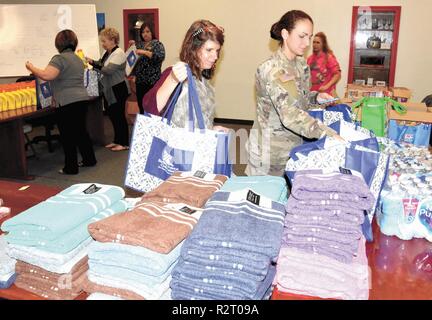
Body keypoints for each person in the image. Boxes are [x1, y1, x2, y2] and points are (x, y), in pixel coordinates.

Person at [245, 10, 343, 177]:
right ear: (285, 34)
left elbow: (300, 100)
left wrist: (316, 98)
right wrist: (329, 134)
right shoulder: (271, 70)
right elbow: (290, 115)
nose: (307, 43)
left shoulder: (300, 65)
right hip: (270, 153)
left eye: (310, 37)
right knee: (266, 199)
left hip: (293, 147)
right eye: (301, 36)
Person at [25, 29, 96, 175]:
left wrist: (31, 67)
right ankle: (89, 159)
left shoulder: (59, 58)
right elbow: (64, 79)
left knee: (68, 136)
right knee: (81, 131)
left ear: (58, 43)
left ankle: (71, 168)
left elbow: (47, 75)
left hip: (67, 102)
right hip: (81, 99)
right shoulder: (77, 58)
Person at [142, 19, 226, 130]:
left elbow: (196, 120)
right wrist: (172, 80)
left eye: (217, 51)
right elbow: (149, 109)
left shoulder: (202, 79)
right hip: (176, 146)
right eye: (209, 50)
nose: (215, 57)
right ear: (193, 49)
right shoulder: (175, 74)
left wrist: (211, 129)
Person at [86, 27, 130, 151]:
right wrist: (92, 62)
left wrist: (93, 63)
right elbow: (100, 64)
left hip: (118, 88)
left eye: (104, 41)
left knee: (119, 116)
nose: (102, 44)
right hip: (109, 89)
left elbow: (107, 70)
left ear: (112, 40)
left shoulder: (119, 53)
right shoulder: (107, 53)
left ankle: (124, 143)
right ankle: (117, 140)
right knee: (113, 115)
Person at [129, 22, 165, 114]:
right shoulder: (139, 45)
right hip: (140, 82)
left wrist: (145, 52)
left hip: (152, 82)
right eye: (143, 32)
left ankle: (154, 127)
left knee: (152, 108)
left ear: (152, 32)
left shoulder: (157, 44)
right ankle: (144, 127)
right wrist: (131, 47)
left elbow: (159, 57)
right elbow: (133, 62)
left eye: (147, 31)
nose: (145, 34)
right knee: (141, 107)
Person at [307, 32, 341, 97]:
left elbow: (337, 74)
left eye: (318, 42)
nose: (315, 44)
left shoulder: (329, 58)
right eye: (314, 42)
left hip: (326, 95)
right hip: (313, 95)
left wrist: (326, 86)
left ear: (323, 44)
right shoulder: (309, 59)